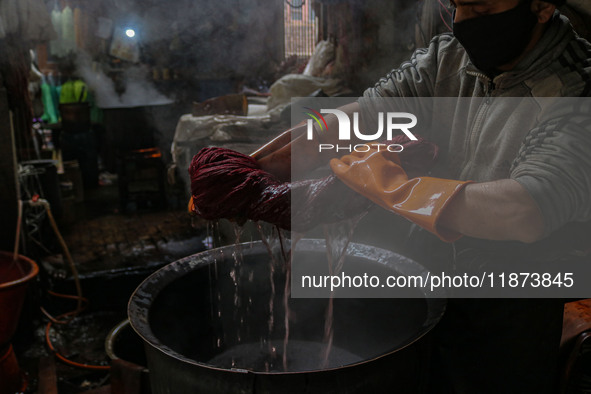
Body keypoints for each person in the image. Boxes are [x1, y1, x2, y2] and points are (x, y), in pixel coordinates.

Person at [251, 0, 591, 392]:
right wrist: (258, 169)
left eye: (479, 10)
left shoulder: (577, 87)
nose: (463, 24)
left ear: (541, 6)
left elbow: (526, 209)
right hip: (435, 271)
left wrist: (393, 188)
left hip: (516, 302)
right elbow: (361, 115)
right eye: (456, 7)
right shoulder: (448, 58)